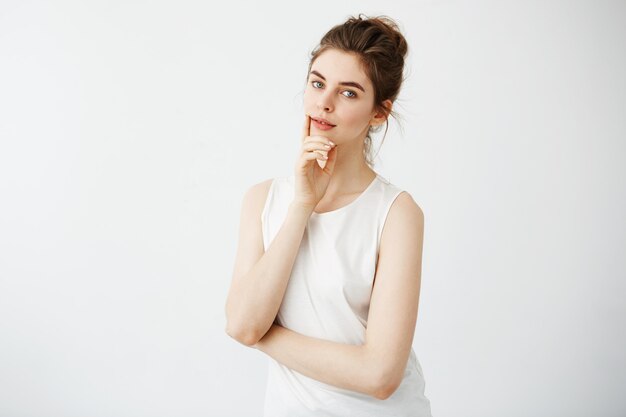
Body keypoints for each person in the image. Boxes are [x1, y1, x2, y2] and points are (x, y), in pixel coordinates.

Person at [225, 14, 432, 417]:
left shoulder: (397, 214)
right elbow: (243, 322)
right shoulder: (262, 200)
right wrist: (302, 204)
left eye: (349, 93)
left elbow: (381, 375)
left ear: (379, 113)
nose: (325, 102)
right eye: (318, 83)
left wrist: (258, 336)